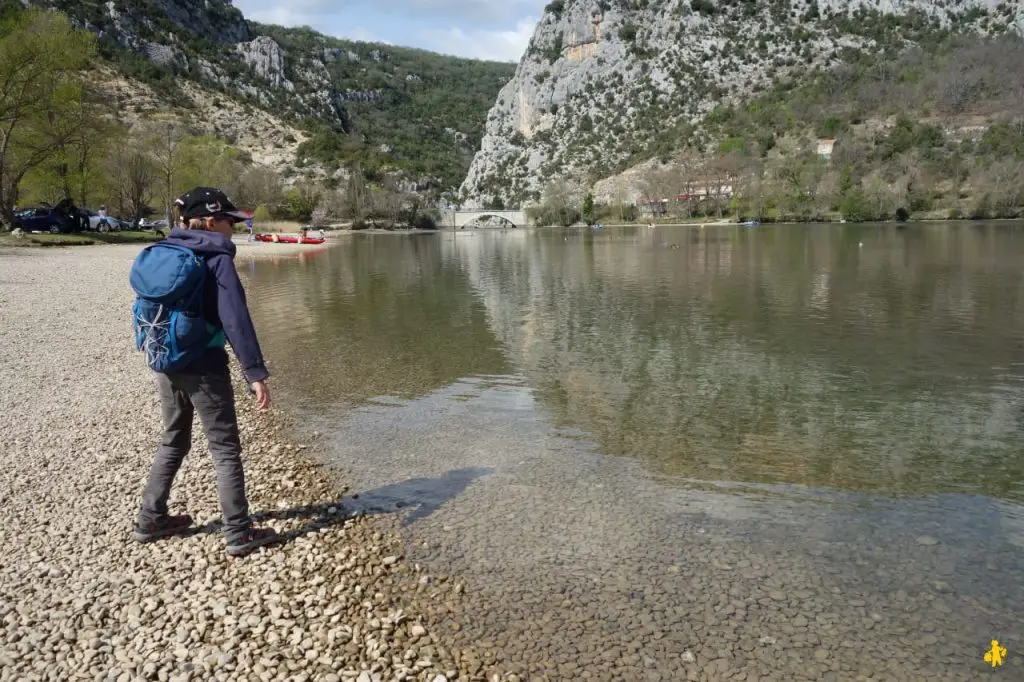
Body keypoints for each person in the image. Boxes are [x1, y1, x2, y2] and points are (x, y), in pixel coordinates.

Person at [133, 187, 281, 558]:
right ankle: (239, 532)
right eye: (230, 221)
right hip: (203, 364)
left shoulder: (167, 250)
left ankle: (150, 519)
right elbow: (235, 318)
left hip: (166, 359)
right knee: (225, 447)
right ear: (212, 221)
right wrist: (255, 372)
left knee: (174, 439)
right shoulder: (216, 257)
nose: (234, 228)